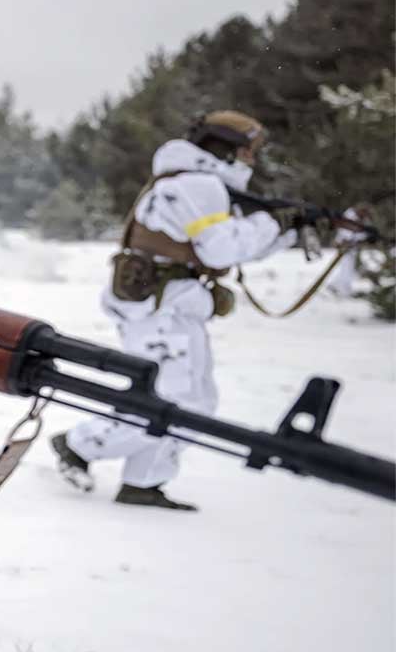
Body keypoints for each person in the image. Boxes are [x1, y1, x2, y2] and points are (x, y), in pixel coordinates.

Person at [50, 111, 301, 511]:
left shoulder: (196, 184)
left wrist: (289, 231)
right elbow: (223, 249)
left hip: (174, 305)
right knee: (178, 400)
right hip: (162, 309)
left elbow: (225, 246)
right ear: (225, 148)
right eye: (247, 151)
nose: (251, 161)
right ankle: (79, 444)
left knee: (193, 399)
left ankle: (143, 482)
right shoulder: (198, 186)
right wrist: (273, 225)